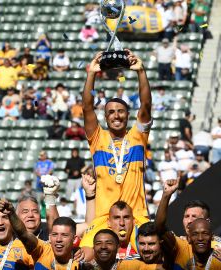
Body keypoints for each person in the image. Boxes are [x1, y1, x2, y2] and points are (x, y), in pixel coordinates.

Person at [81, 49, 152, 258]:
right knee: (84, 258)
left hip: (137, 215)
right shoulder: (97, 138)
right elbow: (86, 107)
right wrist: (92, 73)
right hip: (104, 217)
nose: (116, 115)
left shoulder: (138, 136)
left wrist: (140, 71)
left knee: (154, 254)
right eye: (111, 112)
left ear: (128, 115)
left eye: (120, 111)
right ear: (105, 117)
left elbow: (146, 104)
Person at [155, 179, 221, 269]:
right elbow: (158, 228)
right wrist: (166, 195)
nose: (190, 221)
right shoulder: (178, 245)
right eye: (187, 216)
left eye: (194, 216)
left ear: (207, 222)